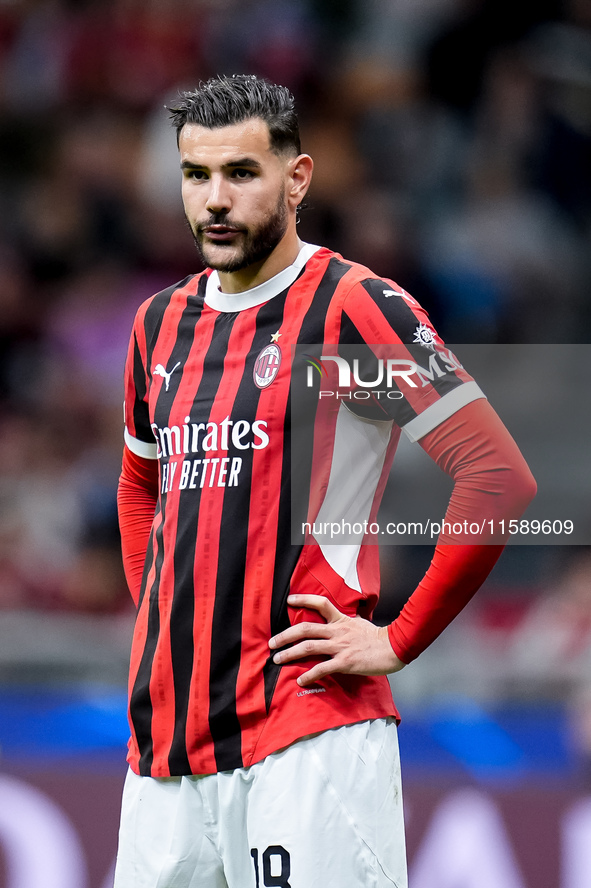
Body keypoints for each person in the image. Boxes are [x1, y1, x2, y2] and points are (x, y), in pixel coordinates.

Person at [114, 74, 536, 888]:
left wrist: (396, 638)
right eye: (195, 175)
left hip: (306, 734)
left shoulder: (354, 308)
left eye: (241, 173)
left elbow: (495, 475)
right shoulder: (158, 324)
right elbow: (141, 486)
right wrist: (158, 622)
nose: (215, 200)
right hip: (163, 746)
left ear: (296, 178)